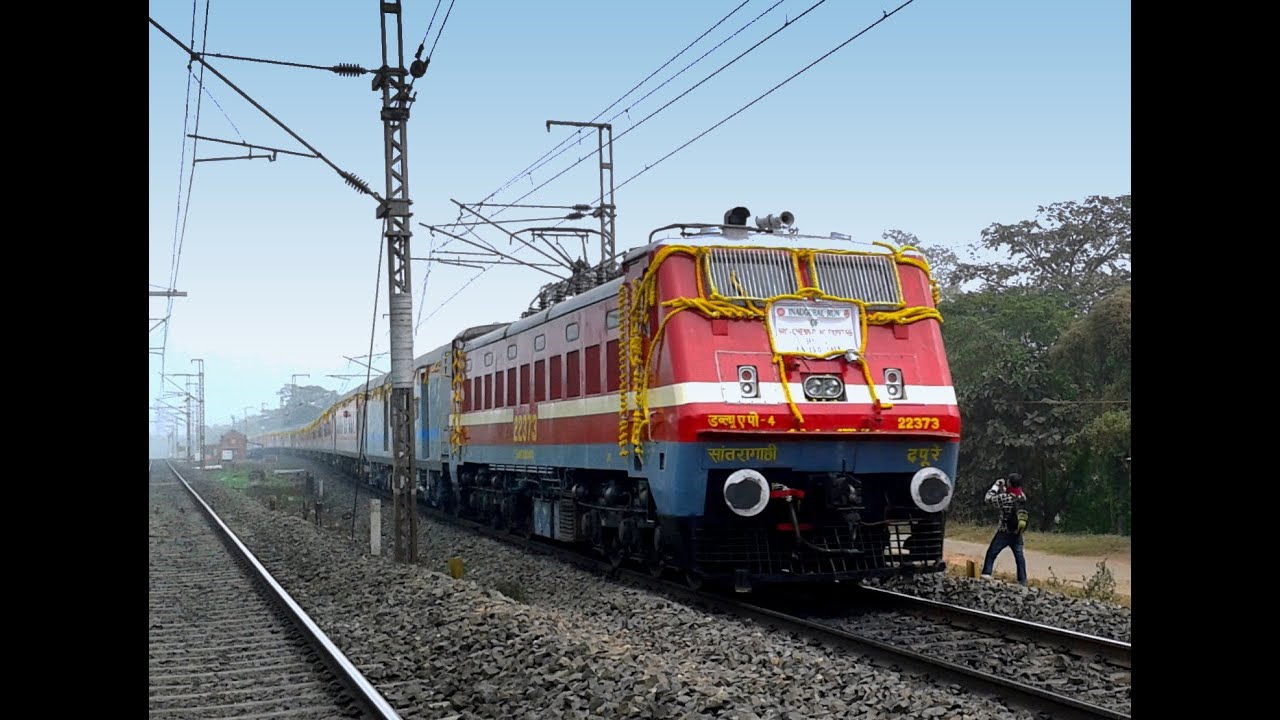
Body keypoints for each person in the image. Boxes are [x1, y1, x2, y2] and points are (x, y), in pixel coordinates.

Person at [980, 473, 1028, 585]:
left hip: (1004, 531)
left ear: (1010, 483)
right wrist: (1003, 489)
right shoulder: (1022, 496)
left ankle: (986, 574)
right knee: (1019, 556)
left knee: (991, 553)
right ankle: (1022, 579)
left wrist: (996, 486)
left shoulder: (1005, 498)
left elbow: (988, 499)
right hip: (1017, 531)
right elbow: (1010, 497)